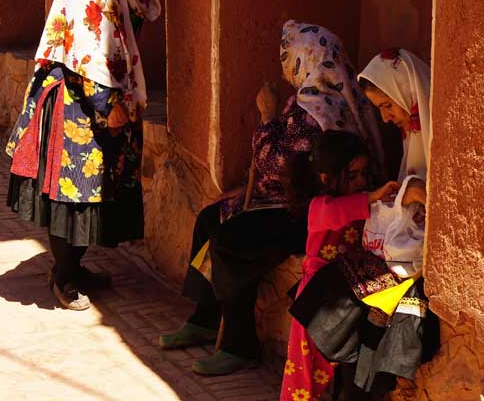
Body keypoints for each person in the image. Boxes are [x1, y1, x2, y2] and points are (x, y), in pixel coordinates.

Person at [5, 0, 187, 311]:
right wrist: (109, 107)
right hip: (78, 105)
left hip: (107, 103)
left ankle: (74, 267)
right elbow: (84, 53)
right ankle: (64, 279)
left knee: (98, 192)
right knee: (74, 193)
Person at [159, 20, 384, 376]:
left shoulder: (315, 105)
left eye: (288, 55)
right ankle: (205, 317)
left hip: (306, 212)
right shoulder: (327, 97)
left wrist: (266, 115)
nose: (284, 63)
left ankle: (239, 345)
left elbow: (274, 164)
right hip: (291, 201)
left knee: (230, 241)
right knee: (209, 217)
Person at [289, 48, 439, 399]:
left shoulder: (435, 133)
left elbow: (423, 196)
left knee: (377, 321)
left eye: (388, 106)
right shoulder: (413, 136)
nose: (386, 119)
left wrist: (408, 197)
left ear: (408, 94)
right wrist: (397, 197)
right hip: (398, 255)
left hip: (415, 264)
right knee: (338, 313)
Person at [280, 130, 399, 401]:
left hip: (344, 295)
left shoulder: (360, 202)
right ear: (326, 179)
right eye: (353, 175)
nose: (362, 181)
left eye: (363, 174)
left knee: (342, 365)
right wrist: (373, 197)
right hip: (318, 297)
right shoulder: (320, 207)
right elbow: (339, 213)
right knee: (303, 372)